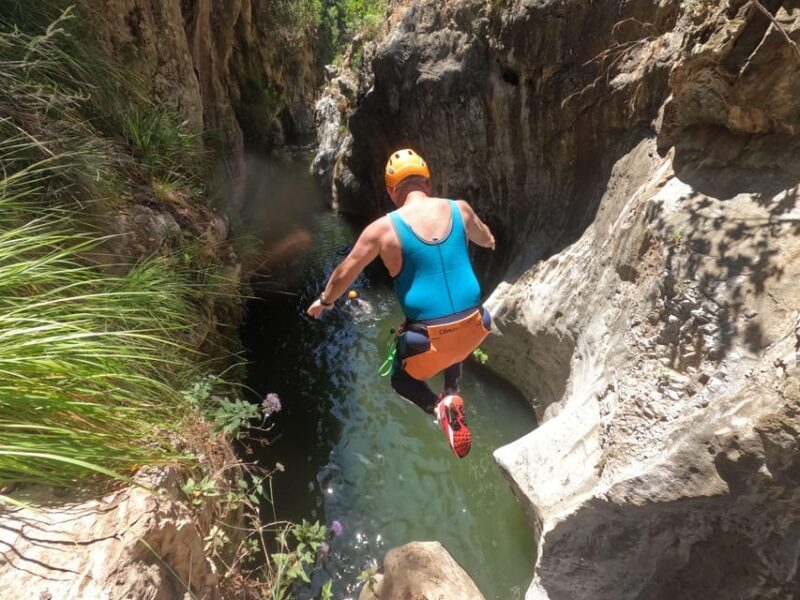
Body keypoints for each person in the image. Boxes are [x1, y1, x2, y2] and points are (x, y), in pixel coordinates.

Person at [307, 149, 495, 458]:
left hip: (429, 340)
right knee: (453, 332)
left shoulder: (382, 230)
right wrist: (490, 241)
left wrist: (325, 301)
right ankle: (453, 392)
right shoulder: (460, 209)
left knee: (401, 377)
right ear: (428, 184)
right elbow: (484, 236)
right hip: (478, 325)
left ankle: (437, 407)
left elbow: (345, 272)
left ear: (392, 192)